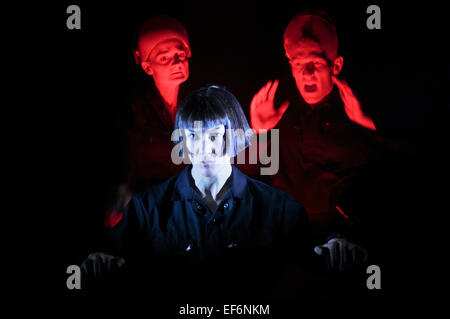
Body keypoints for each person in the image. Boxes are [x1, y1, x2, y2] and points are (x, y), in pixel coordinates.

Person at [82, 85, 368, 297]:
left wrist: (338, 243)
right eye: (193, 136)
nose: (204, 149)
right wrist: (98, 258)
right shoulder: (149, 208)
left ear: (235, 137)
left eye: (215, 136)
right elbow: (107, 247)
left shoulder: (274, 206)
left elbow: (317, 239)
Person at [250, 10, 382, 224]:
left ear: (336, 66)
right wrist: (260, 133)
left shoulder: (354, 112)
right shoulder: (281, 114)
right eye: (298, 64)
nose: (307, 73)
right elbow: (255, 178)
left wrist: (365, 123)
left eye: (316, 63)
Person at [105, 15, 192, 229]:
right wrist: (119, 198)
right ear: (147, 66)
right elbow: (118, 163)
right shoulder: (132, 113)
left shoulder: (194, 110)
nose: (176, 62)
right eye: (164, 58)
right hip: (145, 223)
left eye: (180, 54)